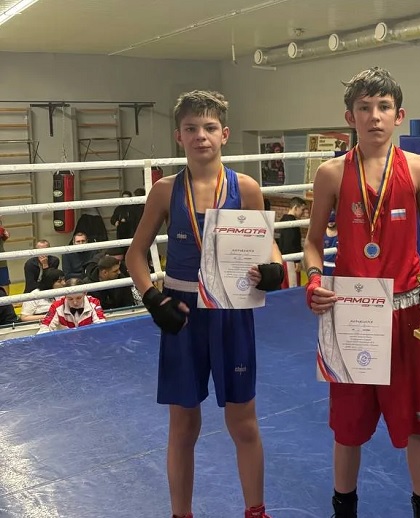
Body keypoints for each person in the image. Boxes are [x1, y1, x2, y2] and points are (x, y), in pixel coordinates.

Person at [125, 89, 284, 518]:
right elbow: (135, 255)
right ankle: (181, 514)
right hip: (181, 313)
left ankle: (256, 512)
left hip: (232, 310)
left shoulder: (246, 188)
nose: (201, 136)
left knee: (243, 421)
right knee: (183, 425)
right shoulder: (164, 191)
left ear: (224, 134)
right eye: (191, 128)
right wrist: (152, 298)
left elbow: (268, 247)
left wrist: (273, 269)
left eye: (210, 127)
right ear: (179, 136)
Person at [303, 67, 420, 518]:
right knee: (347, 429)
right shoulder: (330, 173)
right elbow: (312, 242)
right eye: (364, 108)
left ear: (399, 115)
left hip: (408, 313)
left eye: (384, 107)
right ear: (351, 117)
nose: (374, 116)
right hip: (351, 315)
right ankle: (343, 509)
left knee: (419, 426)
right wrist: (313, 280)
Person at [37, 277, 105, 333]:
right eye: (70, 299)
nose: (75, 302)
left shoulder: (94, 302)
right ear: (65, 295)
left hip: (89, 340)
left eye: (78, 298)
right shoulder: (56, 306)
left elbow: (101, 325)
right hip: (65, 342)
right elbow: (45, 326)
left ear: (85, 293)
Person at [277, 196, 307, 288]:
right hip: (290, 260)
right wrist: (296, 260)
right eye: (302, 210)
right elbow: (290, 243)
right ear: (295, 208)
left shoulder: (285, 220)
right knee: (292, 286)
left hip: (285, 259)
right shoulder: (291, 222)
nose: (303, 213)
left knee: (287, 286)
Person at [322, 210, 338, 276]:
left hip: (338, 264)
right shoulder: (321, 232)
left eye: (332, 221)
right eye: (329, 221)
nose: (331, 223)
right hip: (324, 265)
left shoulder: (342, 232)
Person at [0, 216, 10, 295]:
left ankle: (7, 300)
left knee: (4, 282)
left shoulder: (2, 230)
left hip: (1, 261)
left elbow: (5, 235)